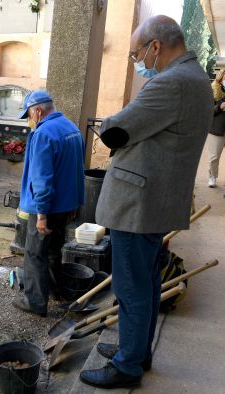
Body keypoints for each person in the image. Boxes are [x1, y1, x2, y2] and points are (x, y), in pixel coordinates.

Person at [80, 16, 212, 389]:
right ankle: (136, 351)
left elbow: (114, 130)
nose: (137, 61)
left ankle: (127, 366)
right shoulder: (194, 78)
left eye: (137, 53)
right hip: (157, 199)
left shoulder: (171, 83)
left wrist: (115, 125)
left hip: (140, 203)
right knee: (148, 283)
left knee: (131, 286)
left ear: (156, 46)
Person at [12, 90, 85, 318]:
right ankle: (55, 293)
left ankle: (35, 302)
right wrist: (76, 203)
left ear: (38, 110)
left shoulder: (43, 134)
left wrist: (41, 213)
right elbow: (77, 170)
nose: (30, 120)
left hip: (47, 206)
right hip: (66, 205)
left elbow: (41, 178)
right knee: (54, 250)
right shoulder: (72, 128)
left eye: (29, 115)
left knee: (35, 254)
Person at [208, 69, 225, 188]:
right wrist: (220, 106)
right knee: (214, 157)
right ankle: (212, 177)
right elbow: (208, 110)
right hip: (217, 129)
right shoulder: (214, 89)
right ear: (221, 76)